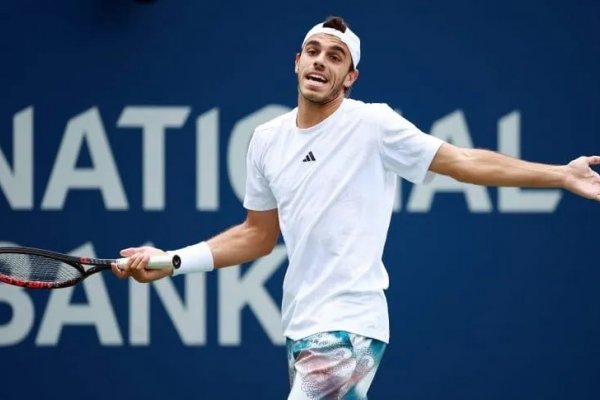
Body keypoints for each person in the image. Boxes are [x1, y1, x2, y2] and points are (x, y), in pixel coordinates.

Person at [112, 16, 600, 400]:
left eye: (336, 57)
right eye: (314, 51)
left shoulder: (374, 124)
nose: (321, 61)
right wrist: (173, 261)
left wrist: (560, 174)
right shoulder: (265, 140)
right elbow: (256, 235)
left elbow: (464, 161)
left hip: (349, 327)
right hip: (300, 328)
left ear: (350, 77)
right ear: (297, 62)